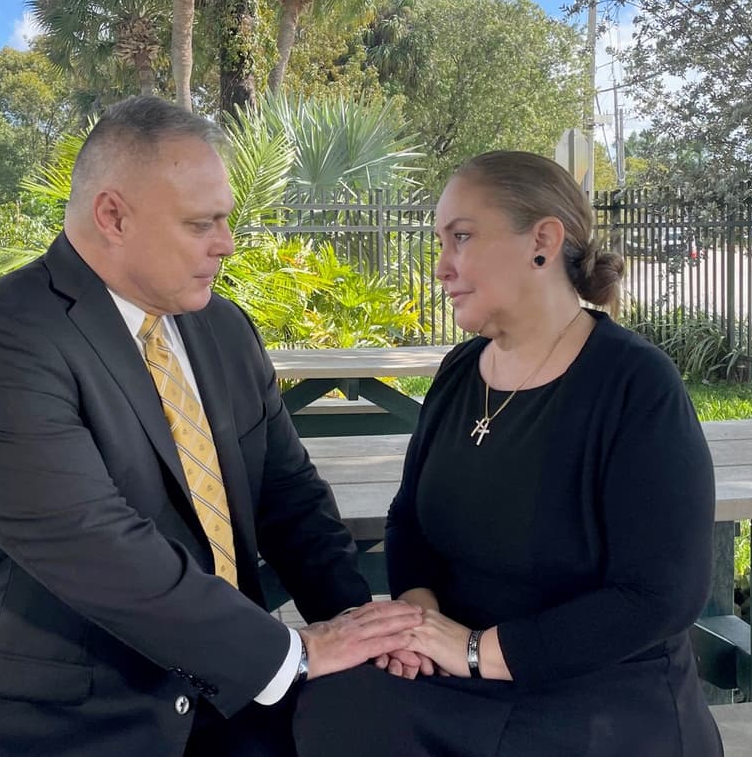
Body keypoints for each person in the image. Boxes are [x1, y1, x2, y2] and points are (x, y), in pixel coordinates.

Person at [0, 95, 422, 756]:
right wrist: (290, 653)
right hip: (56, 726)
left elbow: (289, 496)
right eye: (202, 223)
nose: (226, 244)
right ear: (113, 215)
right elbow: (95, 545)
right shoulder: (1, 340)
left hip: (229, 707)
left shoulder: (221, 327)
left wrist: (355, 623)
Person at [293, 151, 723, 757]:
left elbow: (661, 596)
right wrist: (419, 621)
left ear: (543, 241)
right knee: (325, 709)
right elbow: (410, 519)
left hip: (596, 697)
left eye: (461, 238)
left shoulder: (634, 384)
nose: (442, 267)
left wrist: (474, 652)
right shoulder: (461, 371)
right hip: (457, 682)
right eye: (440, 242)